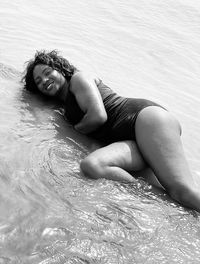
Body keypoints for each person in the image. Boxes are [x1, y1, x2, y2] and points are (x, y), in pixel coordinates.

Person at [22, 50, 200, 212]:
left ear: (60, 69)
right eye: (38, 81)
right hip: (132, 140)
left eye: (47, 72)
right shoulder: (64, 104)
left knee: (181, 191)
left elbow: (98, 116)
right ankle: (158, 203)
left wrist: (72, 129)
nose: (44, 80)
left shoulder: (79, 79)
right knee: (92, 165)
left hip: (145, 120)